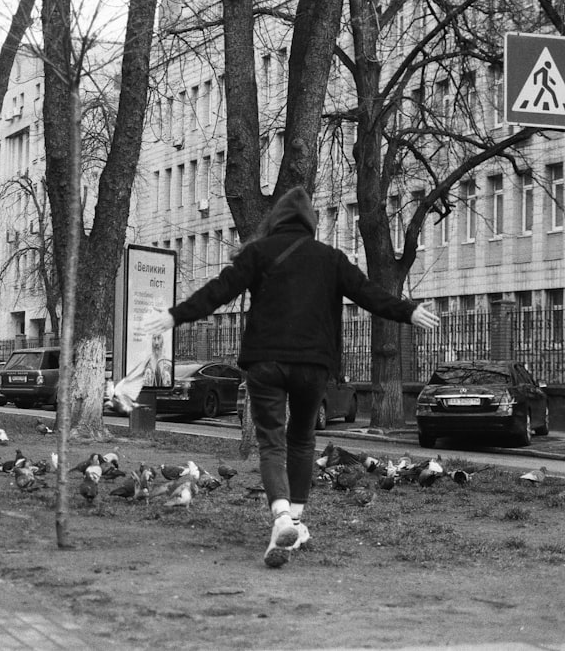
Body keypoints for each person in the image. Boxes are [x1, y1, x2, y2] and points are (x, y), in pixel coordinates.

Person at [141, 186, 439, 569]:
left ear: (276, 219)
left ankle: (282, 516)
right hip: (313, 366)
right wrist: (409, 312)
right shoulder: (331, 259)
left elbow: (219, 291)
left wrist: (174, 316)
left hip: (266, 363)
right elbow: (368, 294)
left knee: (272, 442)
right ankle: (295, 520)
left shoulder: (259, 253)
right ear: (310, 224)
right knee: (302, 440)